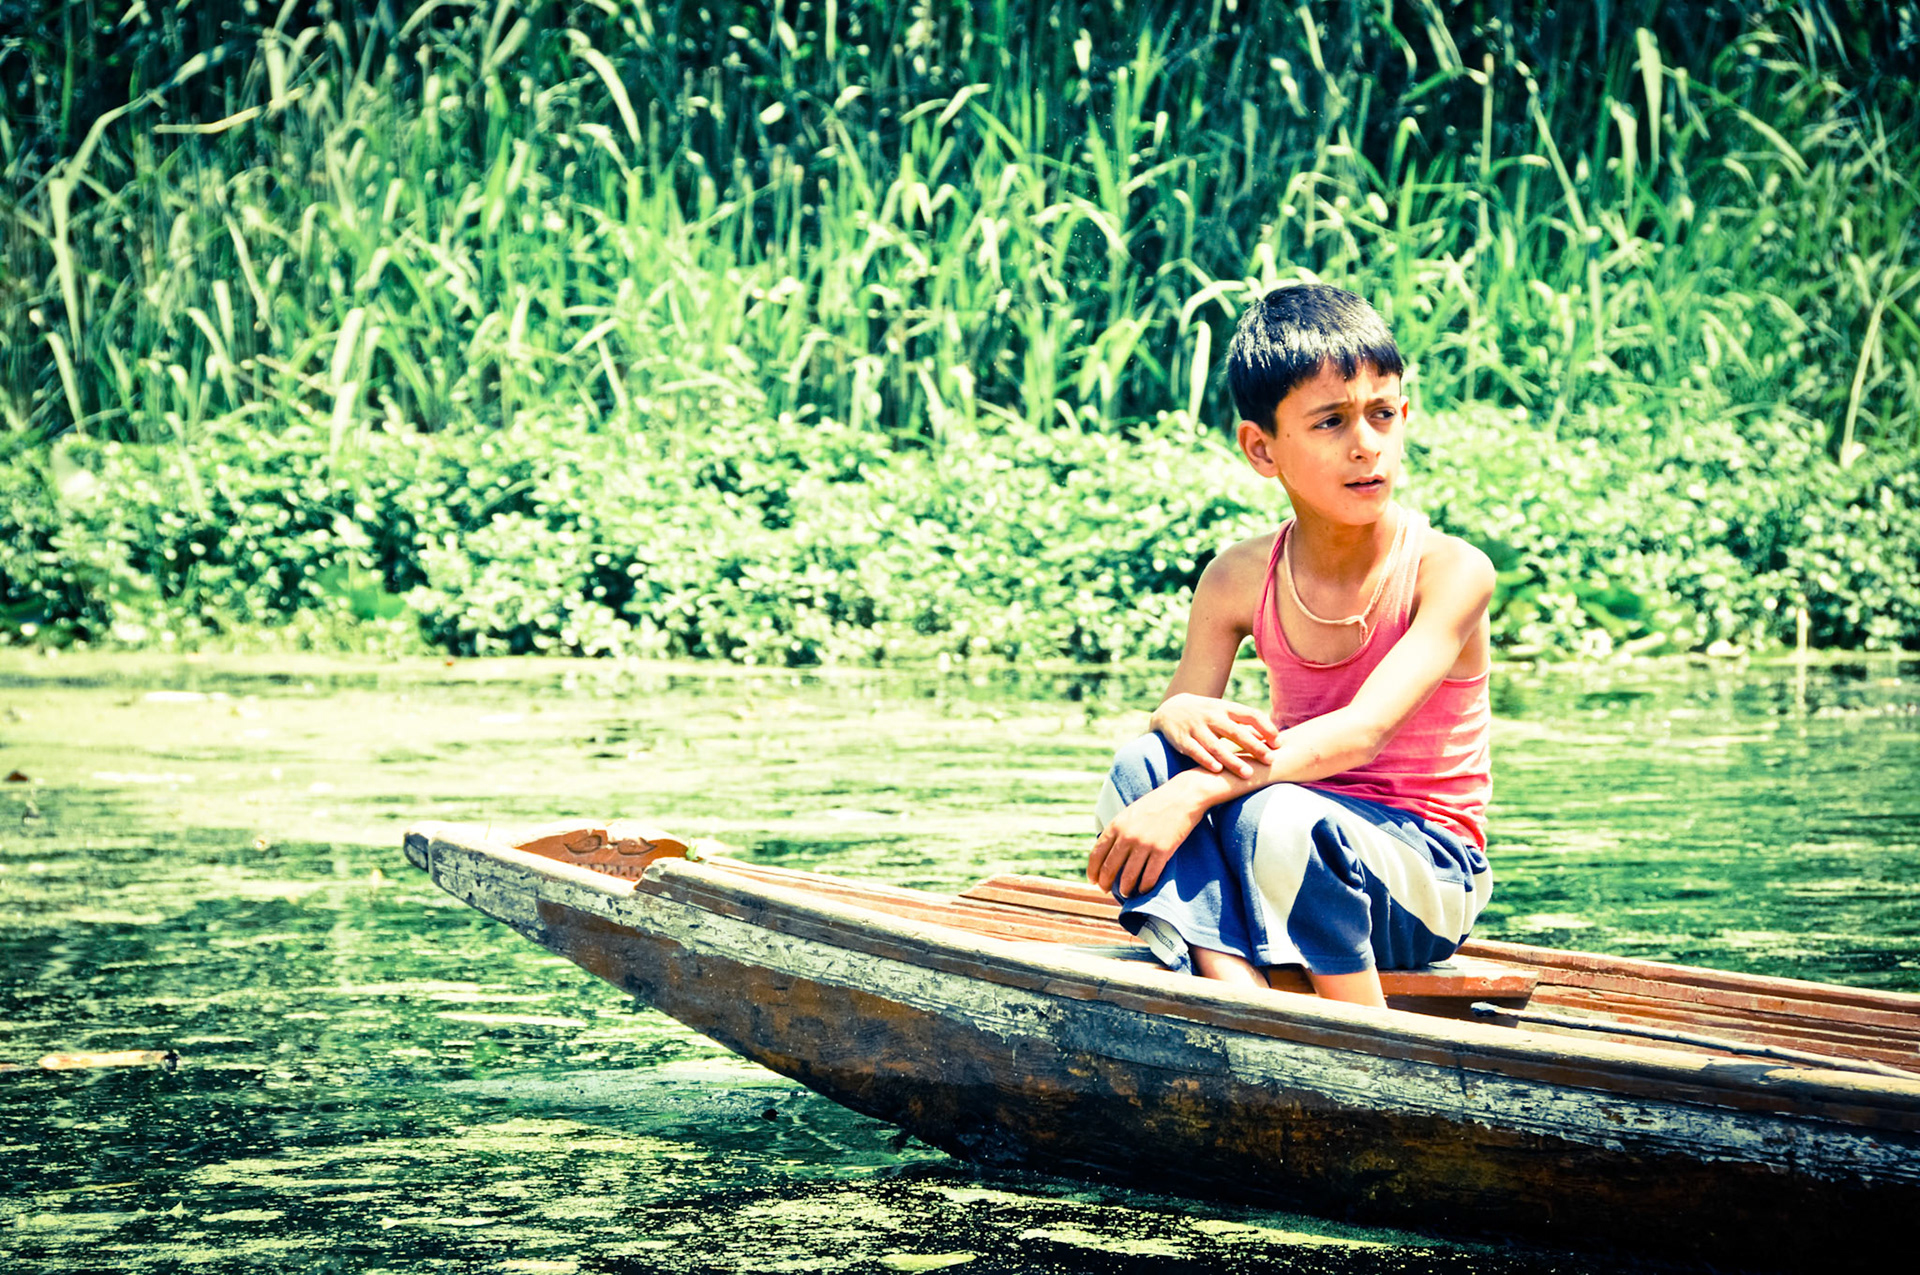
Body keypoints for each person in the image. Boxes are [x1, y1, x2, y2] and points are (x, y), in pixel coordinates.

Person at [1086, 283, 1494, 1008]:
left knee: (1274, 817)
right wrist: (1173, 716)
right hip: (1276, 842)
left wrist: (1200, 787)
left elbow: (1363, 733)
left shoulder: (1451, 571)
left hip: (1424, 875)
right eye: (1331, 421)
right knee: (1140, 767)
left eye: (1382, 413)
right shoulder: (1237, 577)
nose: (1366, 443)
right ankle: (1235, 991)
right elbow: (1182, 712)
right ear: (1261, 449)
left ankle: (1366, 1044)